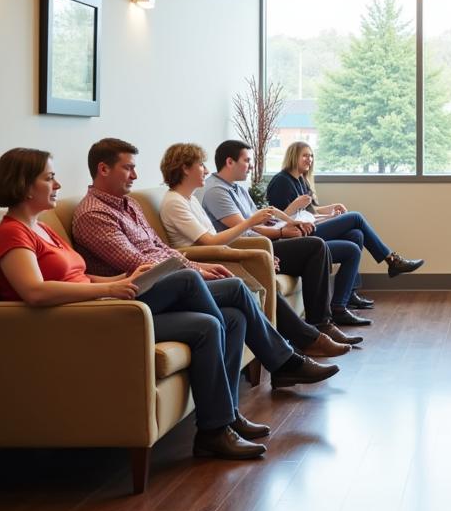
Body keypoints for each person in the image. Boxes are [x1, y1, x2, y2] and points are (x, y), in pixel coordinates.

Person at [0, 147, 325, 462]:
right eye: (48, 177)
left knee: (227, 318)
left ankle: (218, 427)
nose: (57, 183)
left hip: (107, 304)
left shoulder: (43, 229)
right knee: (197, 283)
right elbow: (36, 292)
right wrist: (114, 289)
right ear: (25, 185)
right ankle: (283, 361)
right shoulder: (13, 233)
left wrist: (116, 284)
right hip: (86, 319)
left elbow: (81, 276)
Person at [70, 137, 343, 398]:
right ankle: (289, 358)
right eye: (128, 168)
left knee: (234, 314)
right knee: (233, 287)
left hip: (169, 276)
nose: (135, 175)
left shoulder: (129, 205)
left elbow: (161, 249)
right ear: (103, 169)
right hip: (139, 293)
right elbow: (137, 263)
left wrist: (198, 264)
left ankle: (228, 416)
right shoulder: (95, 214)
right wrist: (196, 269)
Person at [157, 142, 354, 358]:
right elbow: (210, 242)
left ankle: (315, 330)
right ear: (185, 169)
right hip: (210, 260)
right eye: (200, 165)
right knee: (316, 246)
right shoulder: (180, 201)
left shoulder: (191, 199)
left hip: (224, 253)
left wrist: (273, 235)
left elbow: (221, 238)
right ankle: (307, 340)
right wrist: (259, 239)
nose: (205, 169)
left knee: (320, 246)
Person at [202, 141, 371, 328]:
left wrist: (289, 223)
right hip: (255, 247)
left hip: (266, 240)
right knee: (320, 242)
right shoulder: (217, 191)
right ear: (229, 162)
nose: (251, 165)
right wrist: (282, 231)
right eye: (247, 160)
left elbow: (262, 219)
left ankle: (329, 315)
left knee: (352, 240)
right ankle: (322, 323)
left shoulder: (237, 188)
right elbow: (246, 228)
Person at [266, 140, 424, 313]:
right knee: (356, 217)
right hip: (300, 236)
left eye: (311, 156)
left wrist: (330, 212)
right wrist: (297, 205)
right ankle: (392, 260)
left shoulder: (301, 180)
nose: (309, 159)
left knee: (356, 235)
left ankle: (347, 296)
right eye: (304, 155)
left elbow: (309, 212)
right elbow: (279, 218)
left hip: (309, 227)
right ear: (293, 156)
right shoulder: (281, 181)